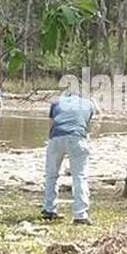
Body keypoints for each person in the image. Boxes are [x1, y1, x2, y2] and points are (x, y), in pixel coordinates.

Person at [42, 89, 99, 224]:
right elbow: (92, 124)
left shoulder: (56, 102)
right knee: (79, 176)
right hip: (77, 137)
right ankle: (80, 214)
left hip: (57, 137)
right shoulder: (88, 103)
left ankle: (49, 210)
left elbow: (51, 124)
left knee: (51, 175)